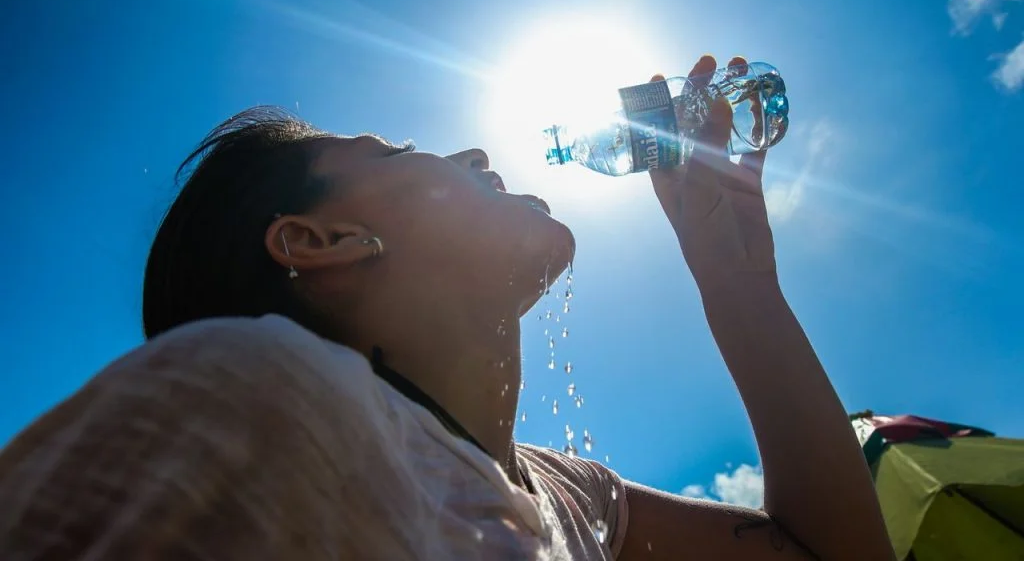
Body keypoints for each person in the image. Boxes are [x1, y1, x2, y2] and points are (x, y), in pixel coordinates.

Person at [0, 55, 894, 560]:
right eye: (395, 151)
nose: (470, 149)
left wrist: (740, 285)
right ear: (322, 242)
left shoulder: (568, 495)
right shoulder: (257, 399)